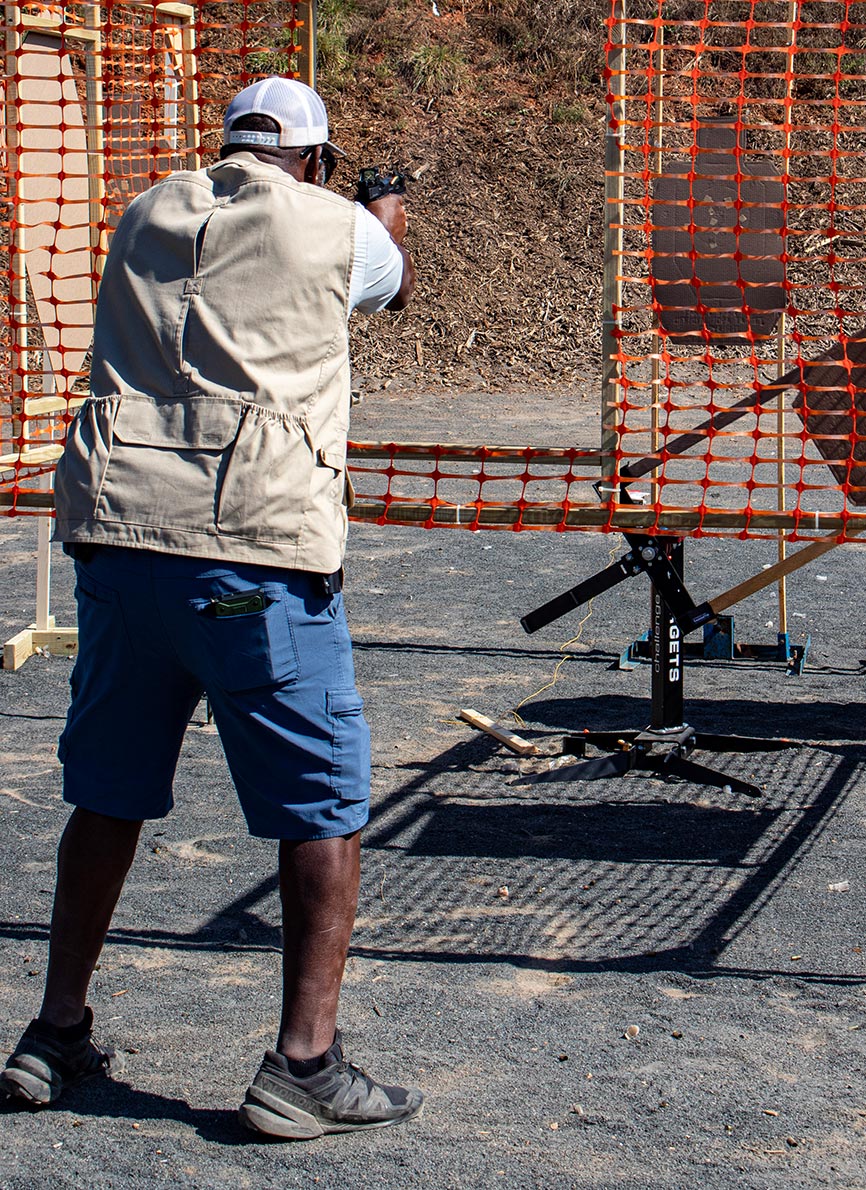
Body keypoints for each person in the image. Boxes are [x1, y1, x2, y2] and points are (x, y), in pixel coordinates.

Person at [0, 76, 422, 1140]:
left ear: (225, 142)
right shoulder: (337, 226)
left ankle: (54, 1031)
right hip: (253, 553)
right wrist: (383, 219)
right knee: (322, 802)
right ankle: (305, 1063)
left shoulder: (147, 210)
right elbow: (386, 280)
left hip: (122, 542)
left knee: (106, 794)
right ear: (318, 162)